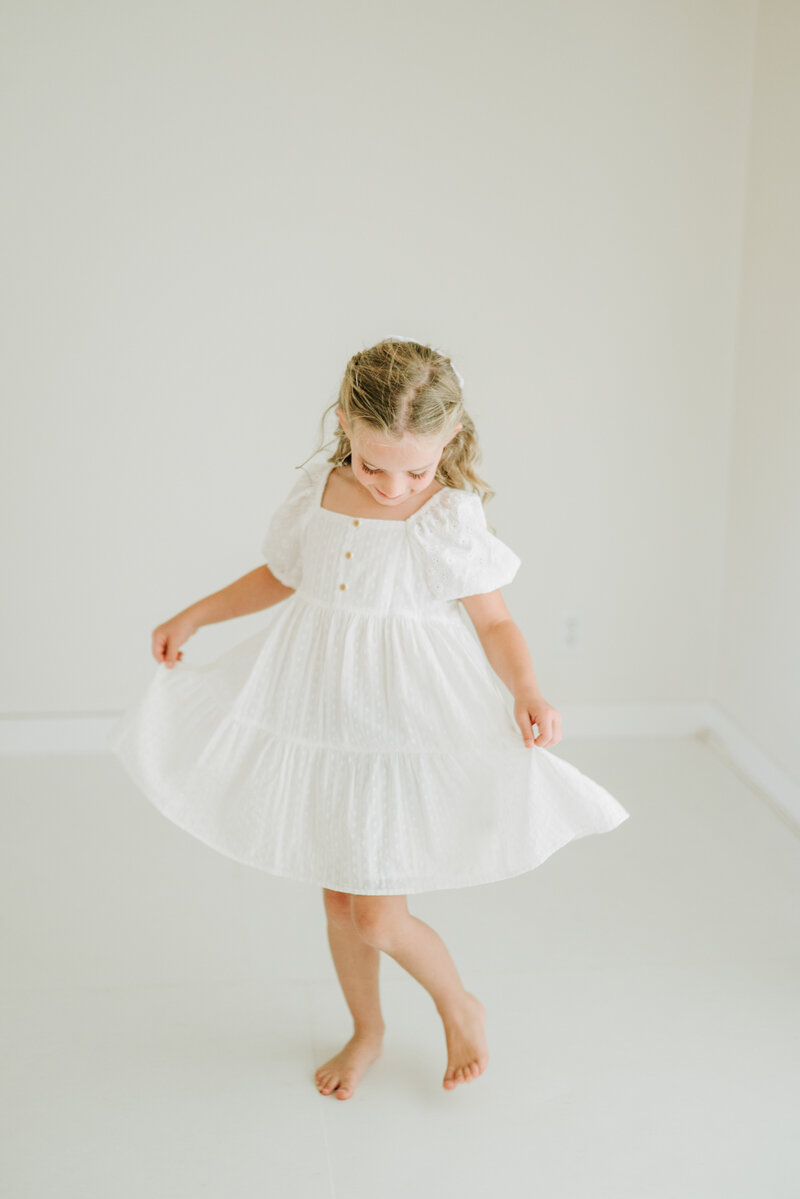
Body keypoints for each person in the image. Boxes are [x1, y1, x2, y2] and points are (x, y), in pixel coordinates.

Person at [109, 335, 629, 1101]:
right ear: (346, 424)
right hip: (322, 716)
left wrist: (527, 687)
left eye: (414, 469)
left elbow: (494, 623)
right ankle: (368, 1029)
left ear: (450, 439)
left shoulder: (448, 516)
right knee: (339, 900)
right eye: (371, 464)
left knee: (379, 916)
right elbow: (282, 575)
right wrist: (197, 616)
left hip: (401, 727)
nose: (391, 486)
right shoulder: (320, 491)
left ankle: (458, 1001)